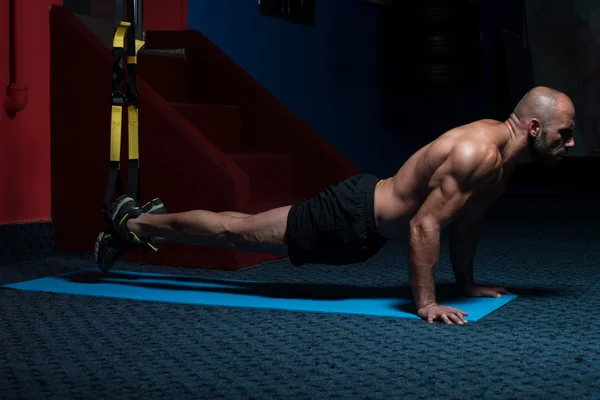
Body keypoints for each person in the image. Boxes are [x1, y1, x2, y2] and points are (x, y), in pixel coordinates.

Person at [94, 86, 576, 324]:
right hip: (349, 217)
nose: (571, 143)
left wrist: (467, 284)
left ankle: (139, 221)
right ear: (534, 129)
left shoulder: (501, 162)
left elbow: (466, 225)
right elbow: (425, 226)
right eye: (564, 133)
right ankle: (135, 219)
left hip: (362, 228)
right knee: (235, 231)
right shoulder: (478, 153)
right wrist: (426, 304)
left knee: (239, 228)